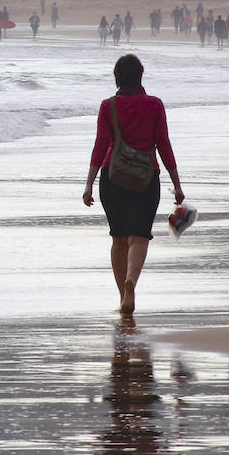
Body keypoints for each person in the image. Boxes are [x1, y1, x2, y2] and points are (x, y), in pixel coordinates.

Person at [83, 54, 185, 316]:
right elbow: (163, 144)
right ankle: (132, 281)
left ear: (117, 77)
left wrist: (89, 184)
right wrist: (177, 184)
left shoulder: (108, 106)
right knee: (139, 237)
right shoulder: (154, 105)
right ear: (141, 76)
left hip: (112, 176)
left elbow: (100, 145)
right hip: (145, 178)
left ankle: (122, 296)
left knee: (118, 239)